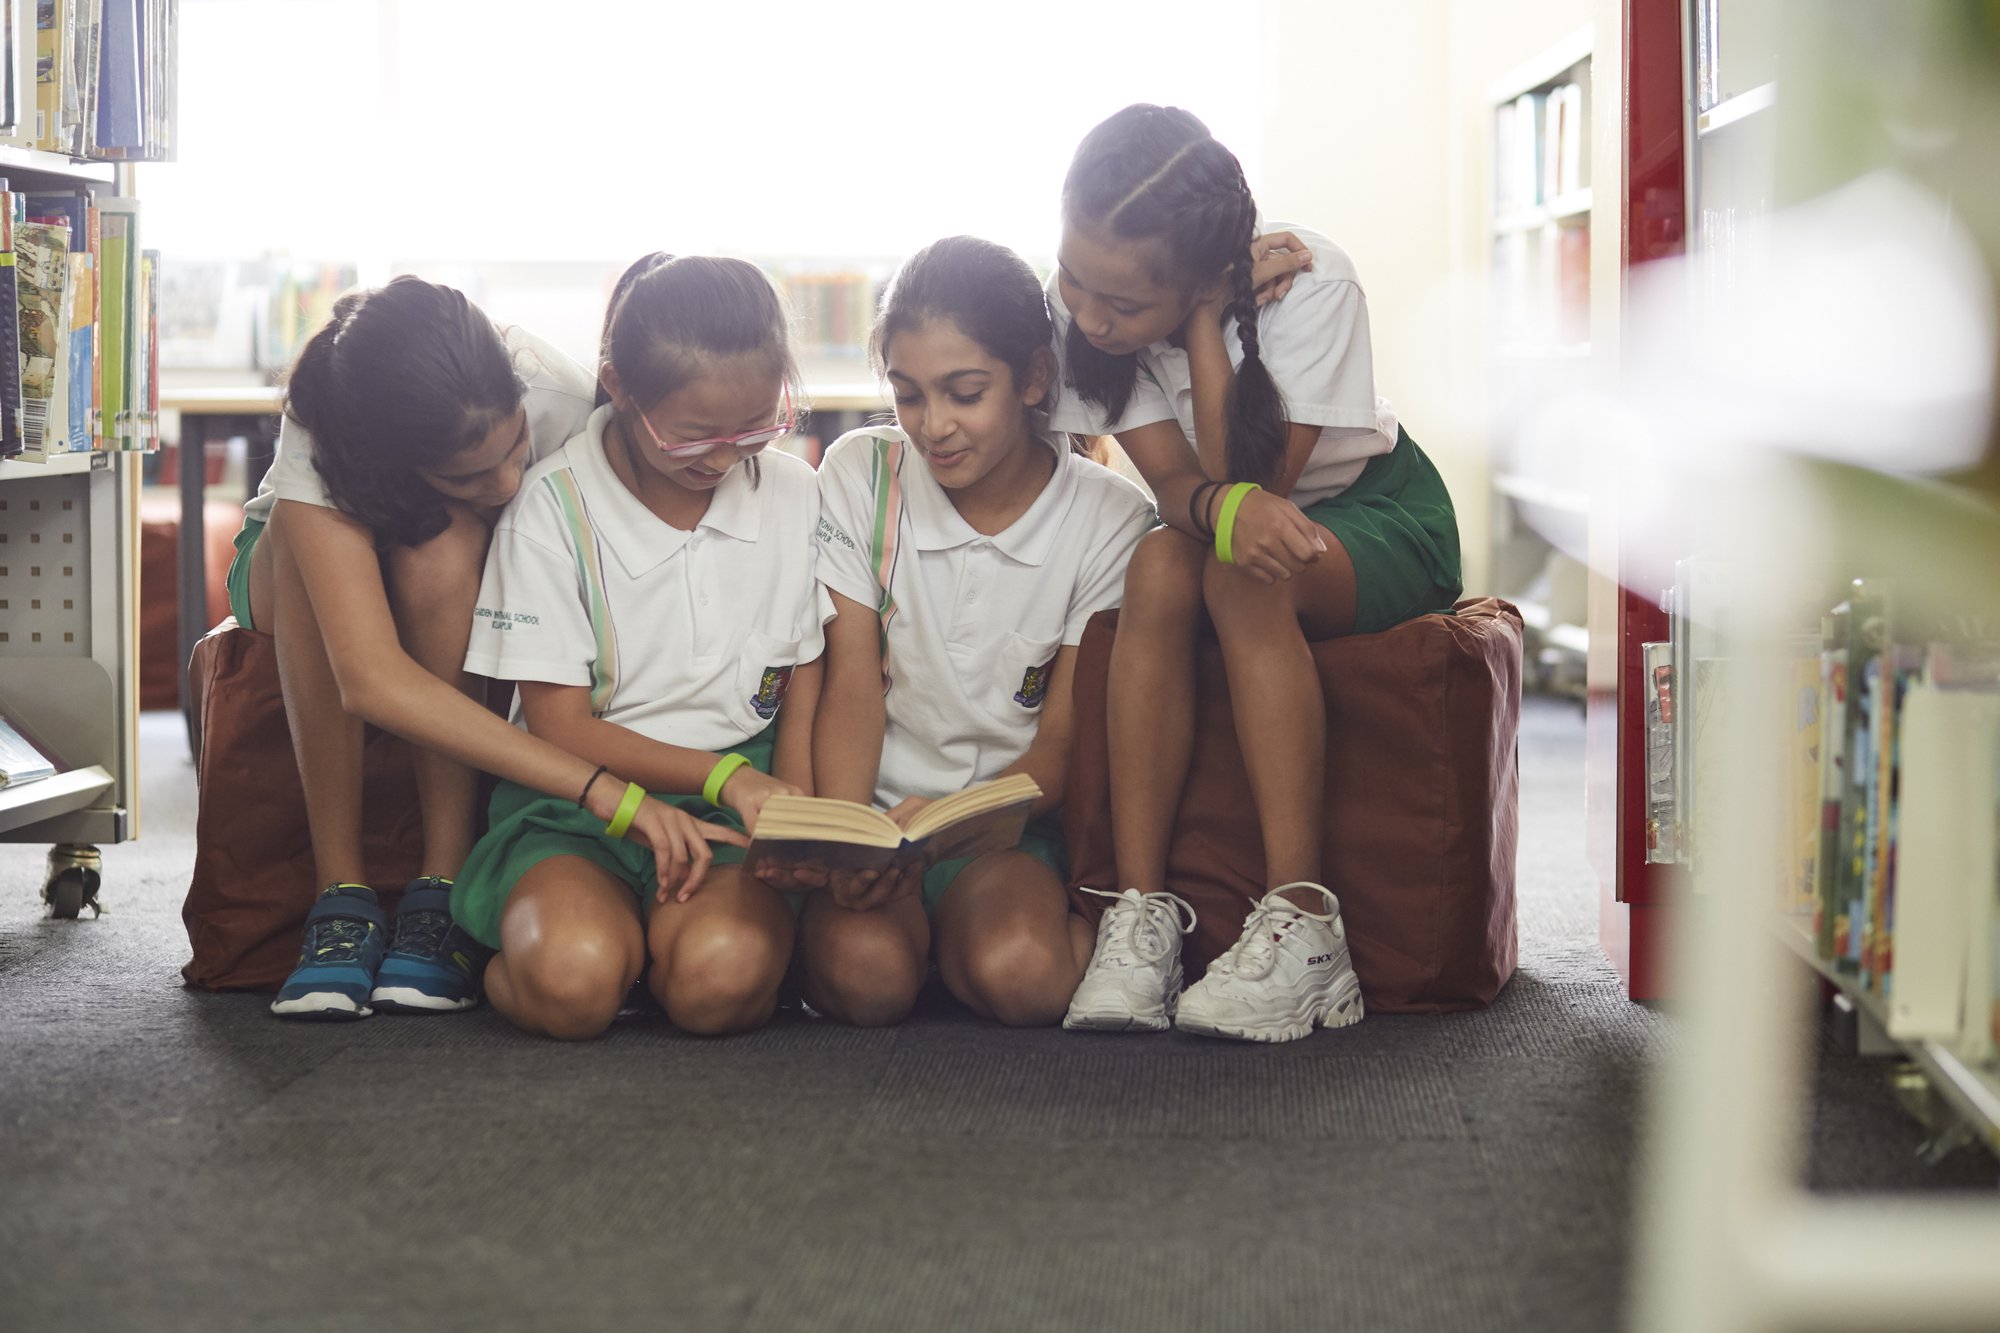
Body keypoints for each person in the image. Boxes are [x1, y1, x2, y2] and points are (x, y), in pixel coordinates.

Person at [1049, 104, 1463, 1042]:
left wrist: (1203, 320)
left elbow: (1250, 485)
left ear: (1201, 274)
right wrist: (1159, 309)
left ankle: (1306, 924)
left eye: (1121, 304)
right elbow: (1177, 490)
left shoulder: (1317, 285)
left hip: (1374, 510)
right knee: (1157, 567)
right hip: (1221, 513)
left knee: (1243, 576)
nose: (1087, 316)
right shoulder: (1084, 303)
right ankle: (1141, 913)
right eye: (1074, 278)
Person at [229, 277, 738, 1020]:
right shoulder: (335, 413)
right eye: (468, 473)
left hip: (465, 579)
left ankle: (442, 883)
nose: (505, 482)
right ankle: (340, 892)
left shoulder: (554, 390)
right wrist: (598, 787)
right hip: (293, 587)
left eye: (514, 451)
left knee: (444, 540)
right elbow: (368, 678)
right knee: (311, 544)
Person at [449, 254, 826, 1041]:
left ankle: (661, 957)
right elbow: (559, 727)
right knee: (572, 985)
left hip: (731, 819)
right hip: (580, 805)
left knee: (719, 985)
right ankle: (566, 956)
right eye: (694, 437)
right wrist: (724, 777)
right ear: (618, 386)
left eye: (756, 427)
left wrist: (790, 810)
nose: (725, 459)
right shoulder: (552, 506)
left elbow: (806, 675)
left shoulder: (792, 493)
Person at [788, 235, 1156, 1028]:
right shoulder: (861, 471)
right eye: (908, 394)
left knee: (1025, 977)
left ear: (1033, 378)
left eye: (964, 392)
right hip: (876, 818)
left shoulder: (1110, 517)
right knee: (869, 982)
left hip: (1000, 830)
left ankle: (972, 940)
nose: (934, 426)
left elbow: (1058, 747)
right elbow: (851, 682)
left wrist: (952, 826)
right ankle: (914, 944)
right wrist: (852, 842)